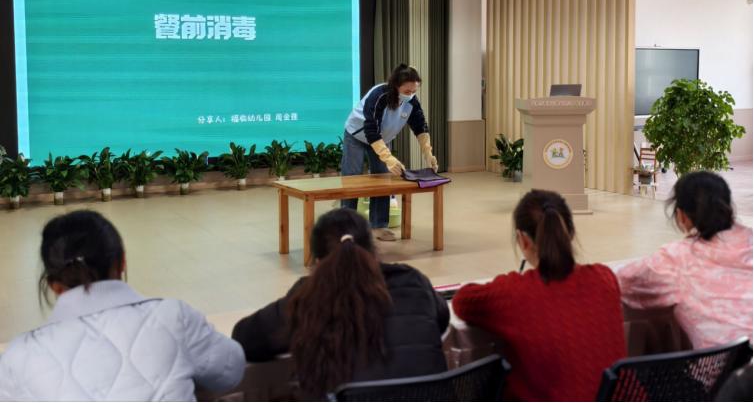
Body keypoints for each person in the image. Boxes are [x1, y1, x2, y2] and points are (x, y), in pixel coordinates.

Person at [0, 210, 245, 401]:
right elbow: (231, 370)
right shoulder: (174, 317)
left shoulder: (18, 357)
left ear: (53, 285)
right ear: (122, 262)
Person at [232, 208, 449, 399]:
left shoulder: (307, 295)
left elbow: (245, 339)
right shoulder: (412, 281)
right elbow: (441, 319)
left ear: (317, 262)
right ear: (374, 252)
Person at [452, 190, 626, 402]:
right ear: (570, 233)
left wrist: (509, 281)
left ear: (522, 240)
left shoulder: (514, 293)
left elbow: (462, 301)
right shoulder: (605, 279)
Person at [616, 171, 752, 349]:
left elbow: (620, 283)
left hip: (722, 365)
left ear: (681, 216)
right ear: (729, 209)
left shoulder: (676, 258)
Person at [341, 64, 437, 241]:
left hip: (382, 139)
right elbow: (371, 129)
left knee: (383, 179)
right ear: (395, 86)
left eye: (414, 91)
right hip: (357, 135)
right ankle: (346, 228)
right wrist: (388, 158)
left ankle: (378, 226)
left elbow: (420, 127)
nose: (410, 95)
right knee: (351, 179)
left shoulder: (411, 102)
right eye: (406, 91)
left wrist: (428, 153)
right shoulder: (379, 95)